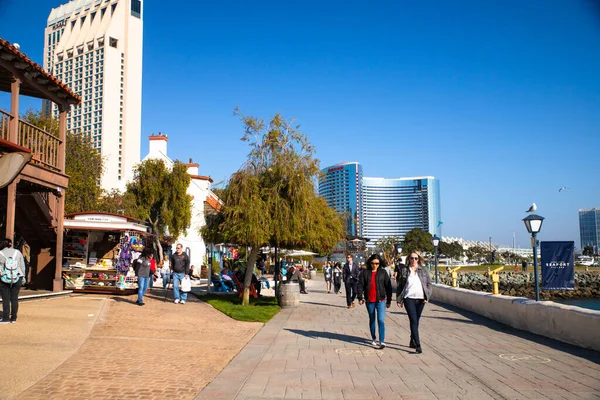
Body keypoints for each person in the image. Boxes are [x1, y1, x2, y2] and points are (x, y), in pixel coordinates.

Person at [396, 251, 432, 354]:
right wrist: (399, 299)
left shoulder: (423, 270)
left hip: (421, 299)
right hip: (409, 298)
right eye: (412, 258)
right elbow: (400, 286)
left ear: (419, 259)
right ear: (408, 259)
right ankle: (418, 344)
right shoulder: (404, 270)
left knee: (417, 321)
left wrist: (427, 296)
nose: (413, 260)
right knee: (413, 320)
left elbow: (429, 284)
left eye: (416, 258)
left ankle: (412, 340)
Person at [358, 254, 392, 348]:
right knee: (372, 319)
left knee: (381, 320)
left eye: (377, 263)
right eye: (373, 263)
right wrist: (360, 297)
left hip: (381, 300)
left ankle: (382, 341)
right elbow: (360, 285)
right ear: (370, 263)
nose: (375, 265)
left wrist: (389, 300)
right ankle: (373, 338)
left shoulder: (383, 272)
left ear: (379, 263)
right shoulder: (365, 273)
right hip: (369, 300)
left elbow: (388, 287)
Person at [0, 238, 26, 323]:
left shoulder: (0, 253)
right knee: (14, 298)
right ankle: (14, 318)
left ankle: (5, 318)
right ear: (10, 244)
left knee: (5, 298)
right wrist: (23, 277)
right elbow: (22, 266)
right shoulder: (17, 252)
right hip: (17, 276)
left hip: (4, 277)